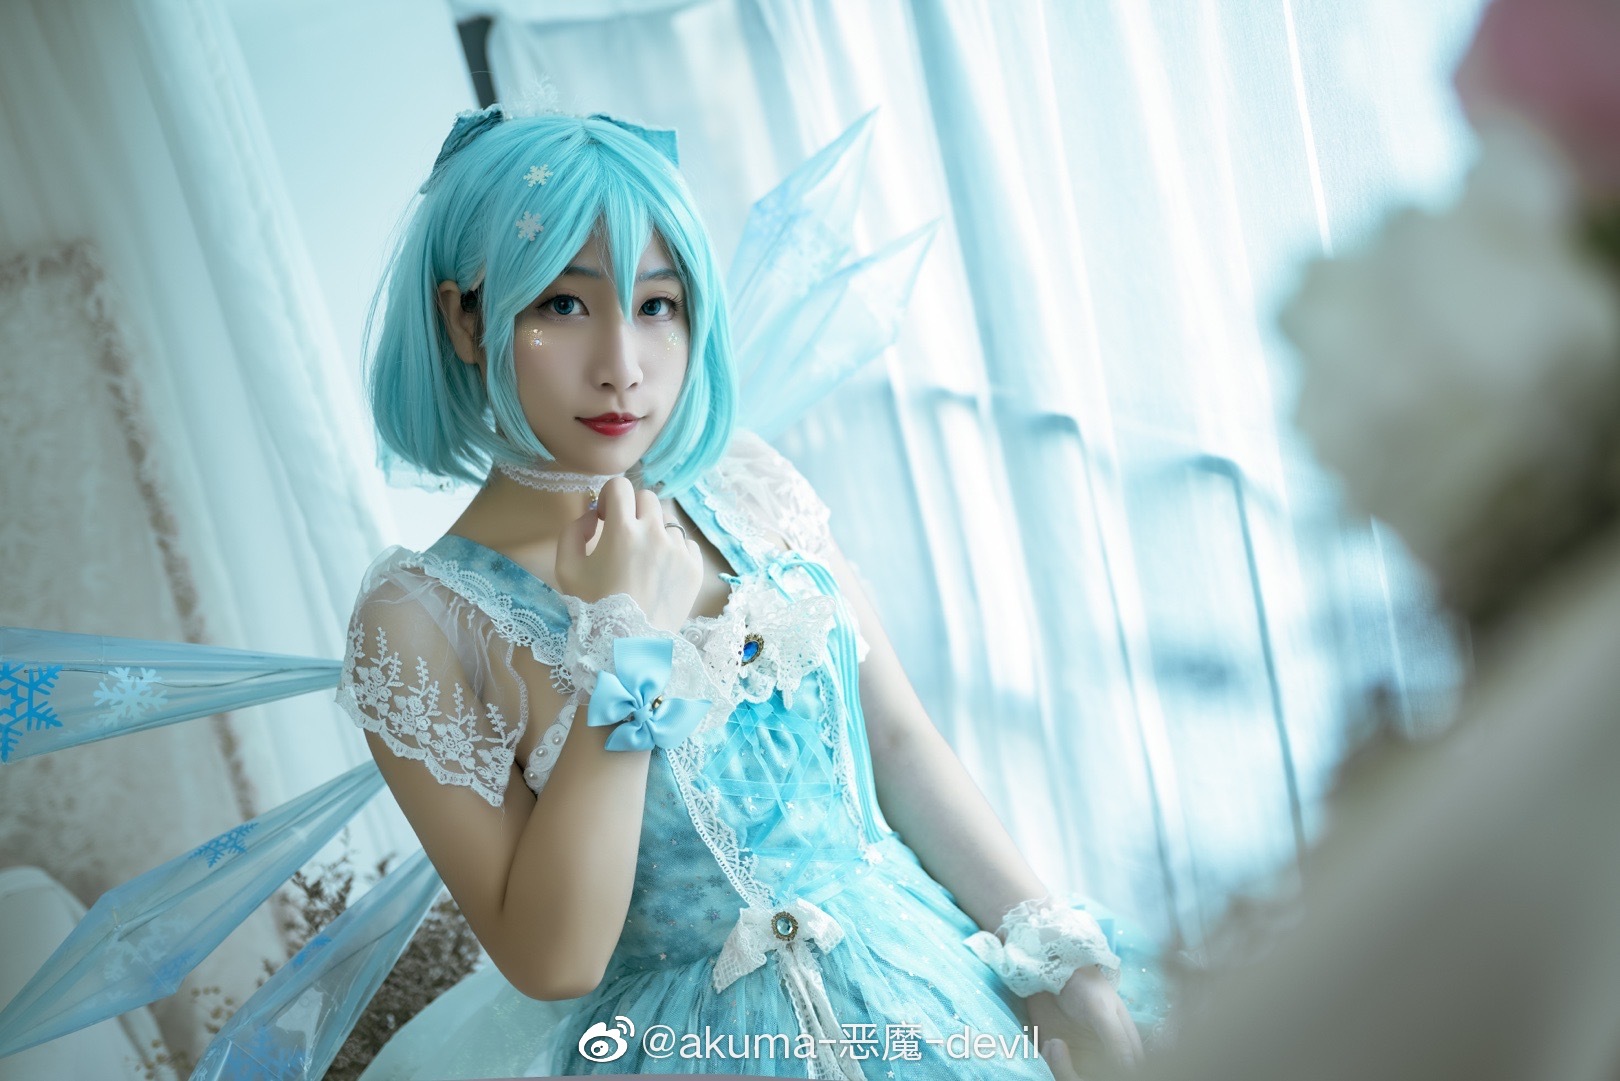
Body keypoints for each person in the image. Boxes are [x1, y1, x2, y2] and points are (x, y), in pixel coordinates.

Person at [339, 107, 1162, 1080]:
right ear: (466, 319)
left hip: (928, 991)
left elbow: (899, 742)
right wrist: (627, 647)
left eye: (657, 304)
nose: (622, 367)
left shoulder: (745, 480)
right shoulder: (417, 621)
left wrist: (1052, 954)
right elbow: (556, 958)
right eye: (563, 304)